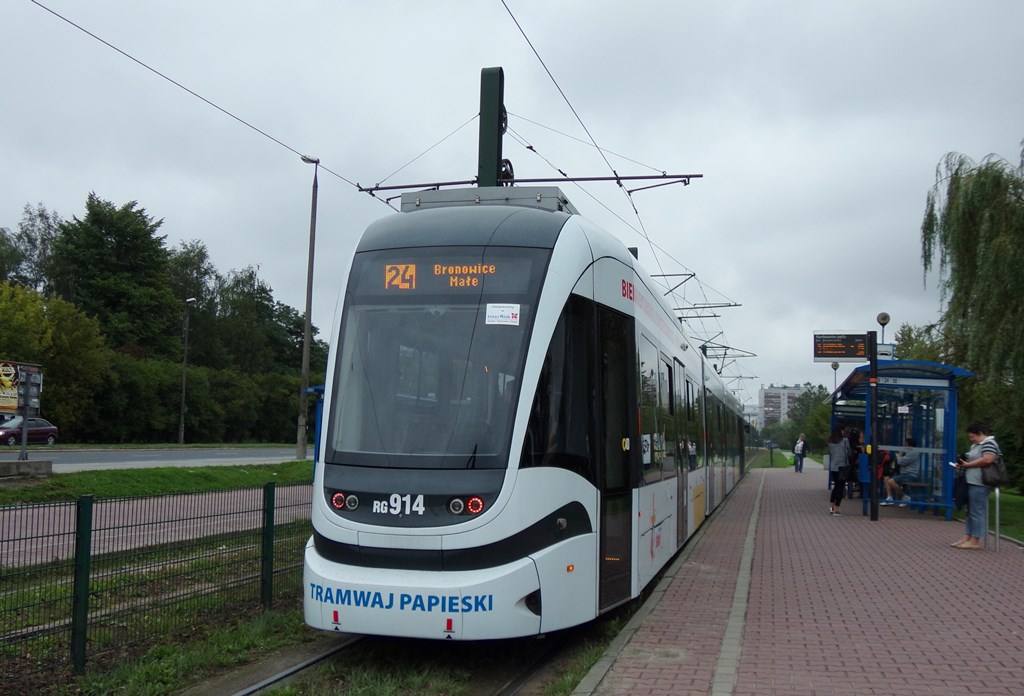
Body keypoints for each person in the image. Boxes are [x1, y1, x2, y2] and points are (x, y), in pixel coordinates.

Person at [950, 422, 1001, 550]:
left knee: (977, 511)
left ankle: (975, 540)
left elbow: (987, 459)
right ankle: (968, 536)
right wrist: (963, 464)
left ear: (980, 434)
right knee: (970, 511)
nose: (971, 439)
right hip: (972, 481)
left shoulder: (989, 444)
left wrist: (968, 465)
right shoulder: (976, 445)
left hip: (980, 482)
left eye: (973, 436)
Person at [882, 437, 920, 507]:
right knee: (886, 479)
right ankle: (890, 498)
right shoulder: (908, 452)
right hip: (903, 474)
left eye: (905, 445)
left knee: (891, 481)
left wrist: (899, 455)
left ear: (909, 445)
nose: (904, 447)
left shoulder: (913, 453)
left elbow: (901, 462)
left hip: (910, 475)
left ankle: (905, 497)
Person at [827, 428, 850, 516]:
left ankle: (831, 507)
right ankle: (837, 509)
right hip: (842, 466)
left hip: (833, 466)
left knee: (836, 486)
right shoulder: (844, 441)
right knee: (841, 488)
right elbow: (848, 452)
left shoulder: (830, 441)